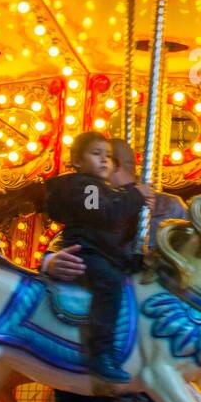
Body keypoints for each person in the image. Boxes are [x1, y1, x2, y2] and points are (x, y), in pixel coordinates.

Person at [39, 138, 183, 402]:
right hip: (95, 339)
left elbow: (188, 270)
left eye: (106, 161)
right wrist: (50, 262)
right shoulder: (90, 199)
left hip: (147, 340)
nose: (101, 170)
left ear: (119, 164)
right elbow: (62, 241)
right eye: (95, 159)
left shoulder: (164, 207)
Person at [43, 132, 152, 387]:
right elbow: (102, 213)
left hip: (103, 252)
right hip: (87, 253)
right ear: (78, 162)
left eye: (109, 157)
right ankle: (100, 352)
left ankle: (127, 367)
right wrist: (135, 196)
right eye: (96, 154)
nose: (105, 161)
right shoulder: (88, 187)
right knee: (110, 284)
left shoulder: (102, 189)